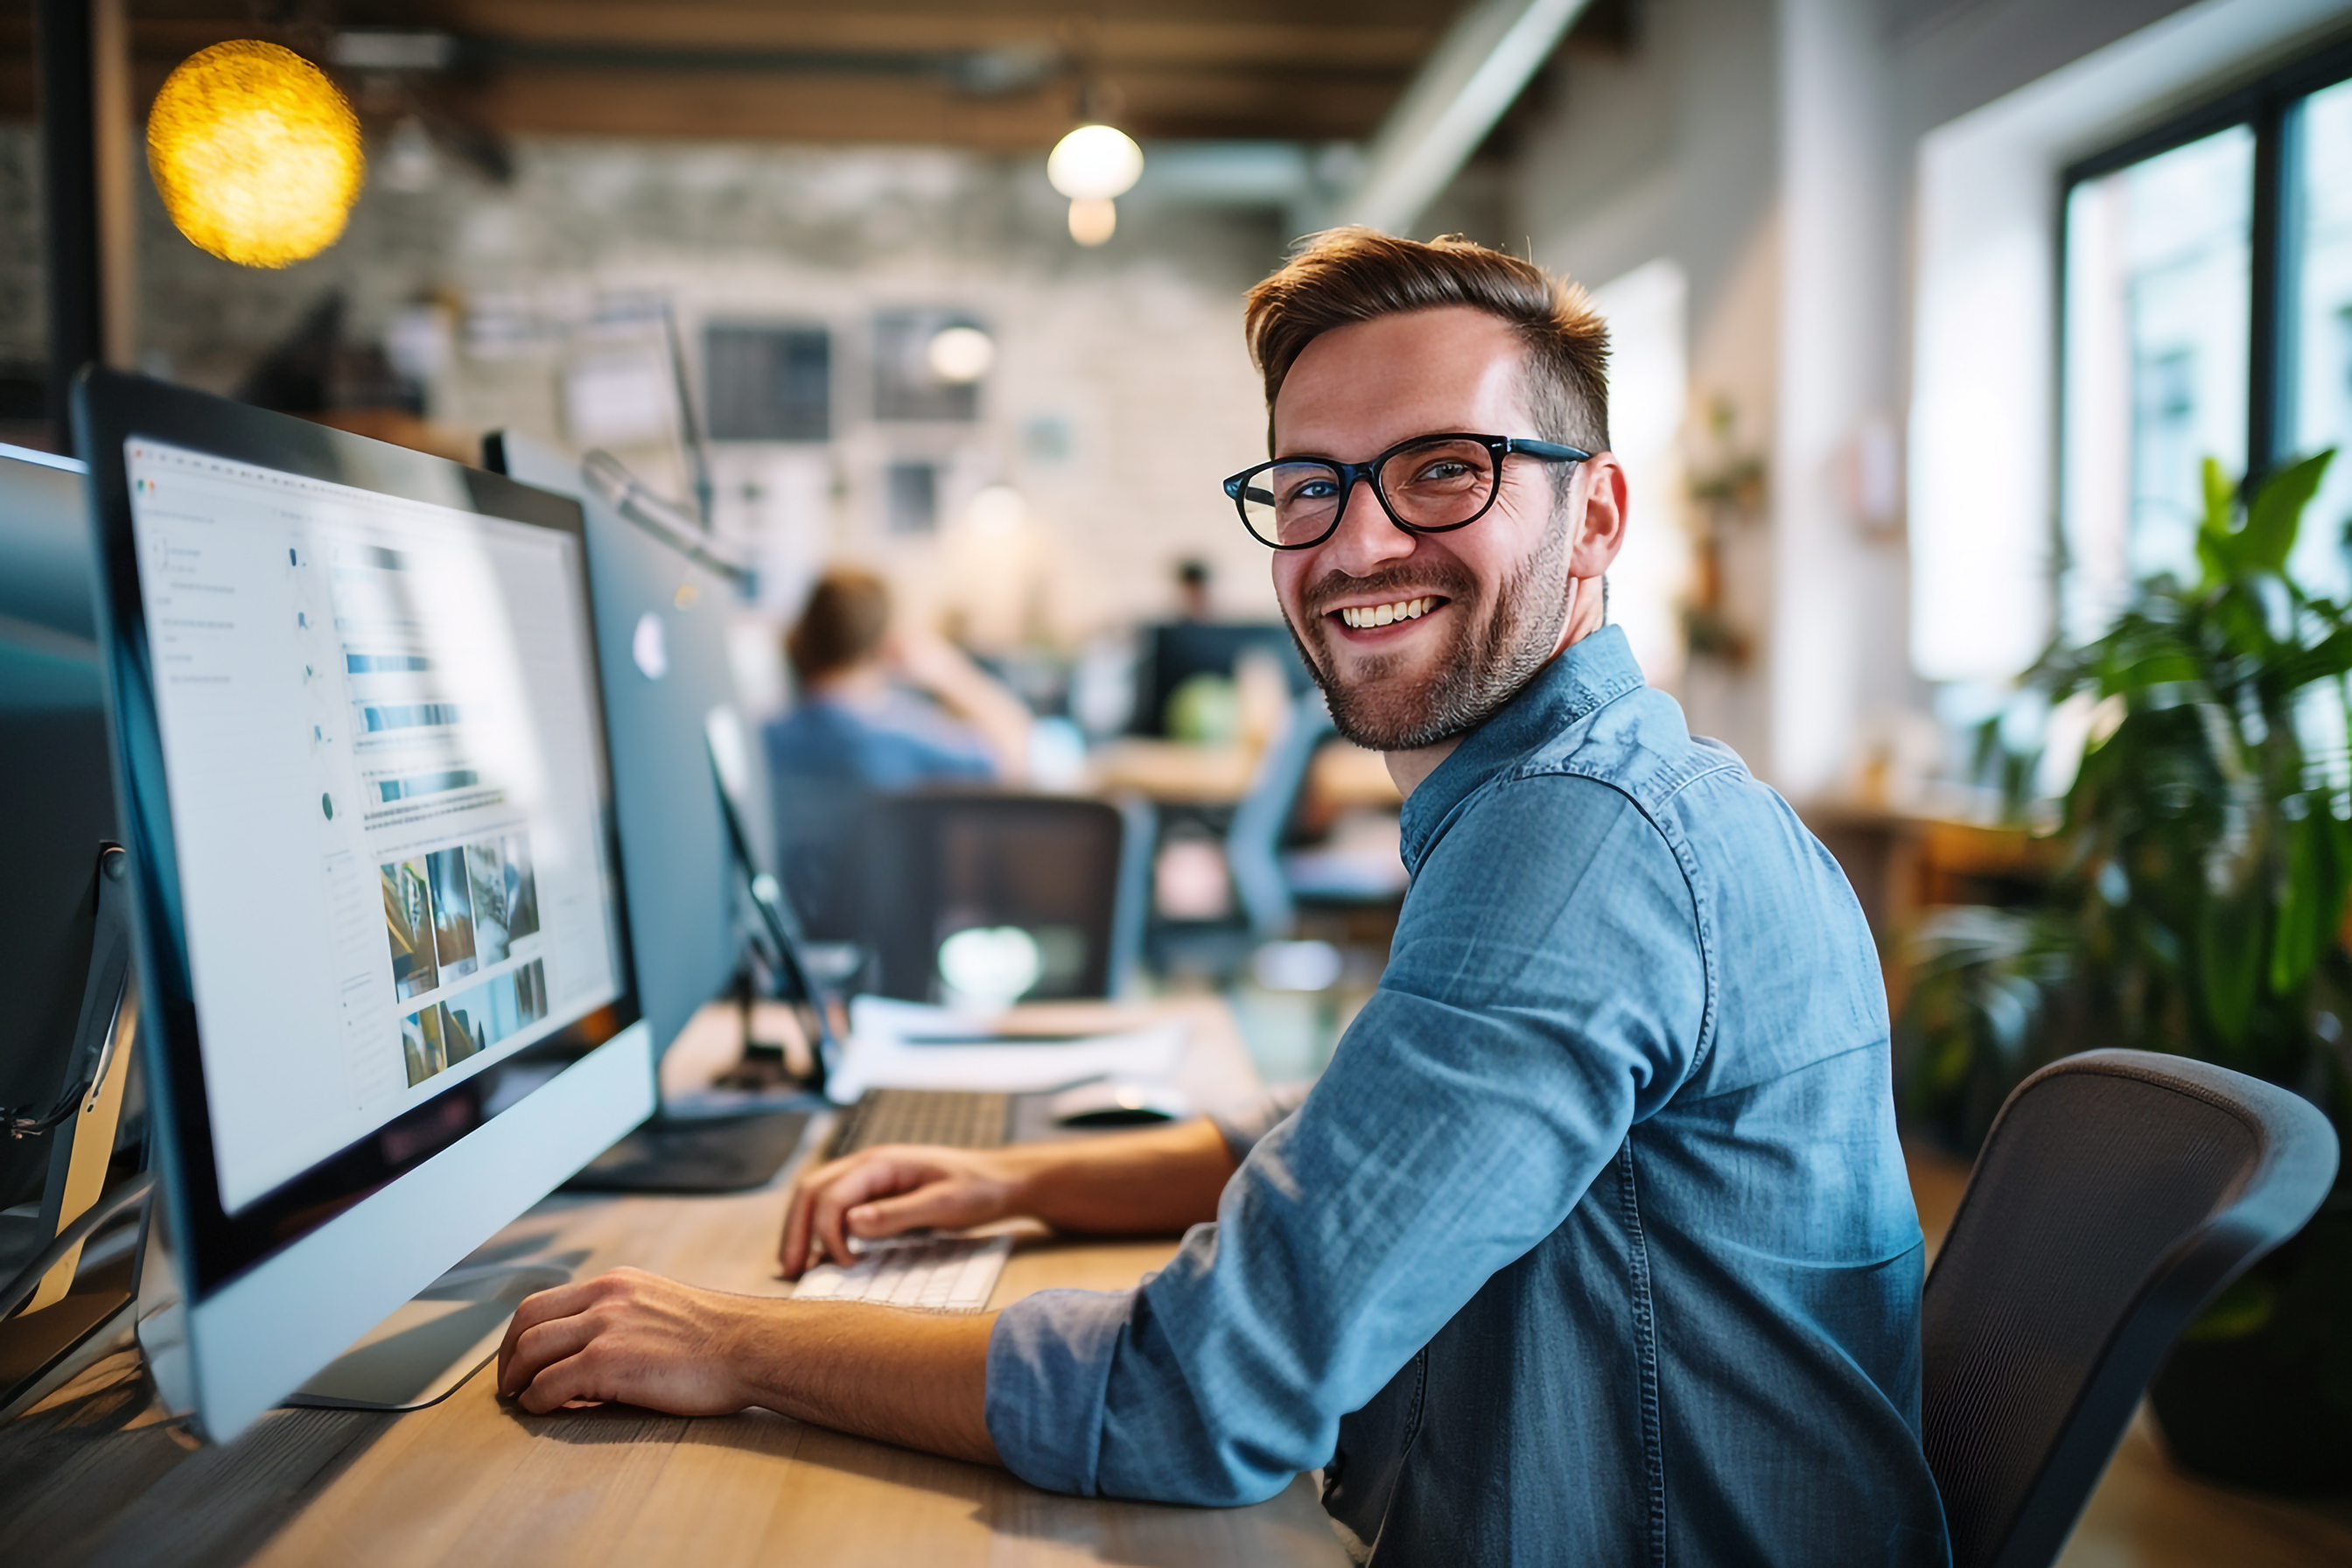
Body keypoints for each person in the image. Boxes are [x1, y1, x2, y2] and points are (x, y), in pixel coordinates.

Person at [497, 230, 1949, 1565]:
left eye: (1443, 467)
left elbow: (1197, 1398)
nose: (1357, 542)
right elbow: (1383, 1138)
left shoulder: (1576, 845)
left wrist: (732, 1342)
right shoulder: (1603, 790)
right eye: (1310, 483)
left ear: (1597, 513)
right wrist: (1021, 1180)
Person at [762, 564, 1032, 790]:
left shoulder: (766, 739)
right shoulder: (902, 738)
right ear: (887, 644)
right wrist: (947, 670)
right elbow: (1013, 753)